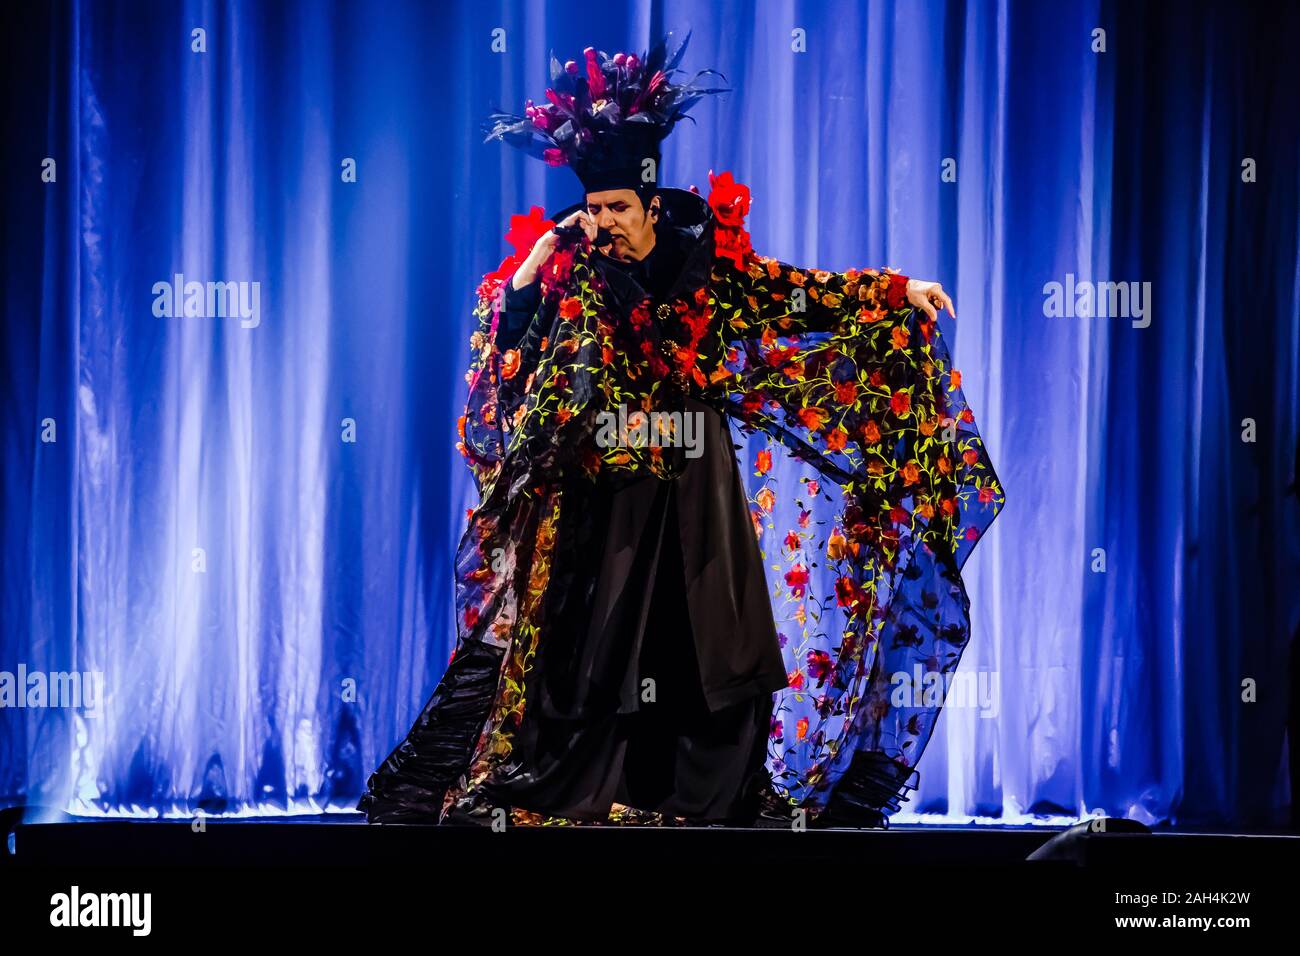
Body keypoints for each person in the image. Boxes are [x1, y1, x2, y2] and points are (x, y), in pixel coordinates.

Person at [357, 32, 1004, 828]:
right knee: (594, 644)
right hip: (611, 481)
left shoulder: (712, 265)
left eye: (618, 208)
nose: (603, 223)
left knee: (711, 641)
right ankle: (585, 780)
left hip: (695, 479)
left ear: (652, 204)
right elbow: (512, 356)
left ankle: (707, 791)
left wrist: (898, 289)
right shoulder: (574, 272)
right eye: (592, 209)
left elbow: (797, 295)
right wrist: (531, 271)